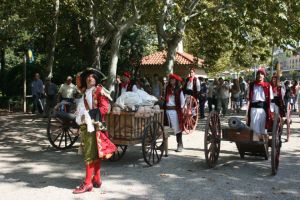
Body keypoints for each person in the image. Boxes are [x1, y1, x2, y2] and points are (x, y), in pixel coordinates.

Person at [73, 68, 111, 194]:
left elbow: (105, 108)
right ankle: (97, 179)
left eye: (92, 77)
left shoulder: (99, 90)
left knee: (89, 154)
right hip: (86, 126)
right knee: (94, 154)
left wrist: (89, 114)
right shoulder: (85, 93)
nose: (90, 78)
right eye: (88, 77)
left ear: (96, 79)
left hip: (94, 127)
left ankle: (88, 183)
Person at [247, 68, 273, 140]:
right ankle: (255, 143)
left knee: (262, 128)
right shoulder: (252, 85)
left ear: (264, 76)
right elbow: (248, 98)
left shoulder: (268, 86)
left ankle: (262, 144)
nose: (260, 75)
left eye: (261, 74)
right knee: (254, 128)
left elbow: (270, 99)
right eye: (258, 74)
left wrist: (270, 111)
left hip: (263, 109)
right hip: (254, 109)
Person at [164, 73, 185, 152]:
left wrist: (180, 110)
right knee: (165, 128)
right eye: (171, 79)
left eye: (173, 79)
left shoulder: (179, 90)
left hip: (175, 112)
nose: (171, 81)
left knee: (177, 129)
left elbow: (182, 102)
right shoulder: (167, 89)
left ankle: (180, 144)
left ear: (176, 81)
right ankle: (164, 144)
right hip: (166, 111)